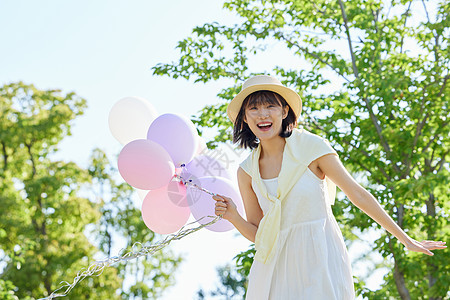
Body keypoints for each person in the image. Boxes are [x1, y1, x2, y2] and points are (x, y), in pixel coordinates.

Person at [212, 75, 446, 300]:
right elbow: (260, 234)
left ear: (284, 111)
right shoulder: (246, 171)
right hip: (273, 269)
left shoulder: (312, 147)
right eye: (253, 108)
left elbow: (358, 194)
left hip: (320, 257)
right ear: (244, 117)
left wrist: (405, 239)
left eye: (269, 106)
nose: (262, 114)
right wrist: (233, 216)